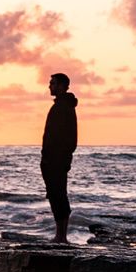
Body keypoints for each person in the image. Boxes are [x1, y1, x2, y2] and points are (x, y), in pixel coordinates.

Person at [41, 72, 78, 244]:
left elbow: (69, 137)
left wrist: (60, 158)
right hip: (54, 159)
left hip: (57, 159)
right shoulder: (61, 106)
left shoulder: (63, 107)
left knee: (58, 196)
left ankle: (61, 236)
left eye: (53, 83)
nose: (50, 86)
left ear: (62, 86)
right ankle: (61, 235)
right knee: (56, 195)